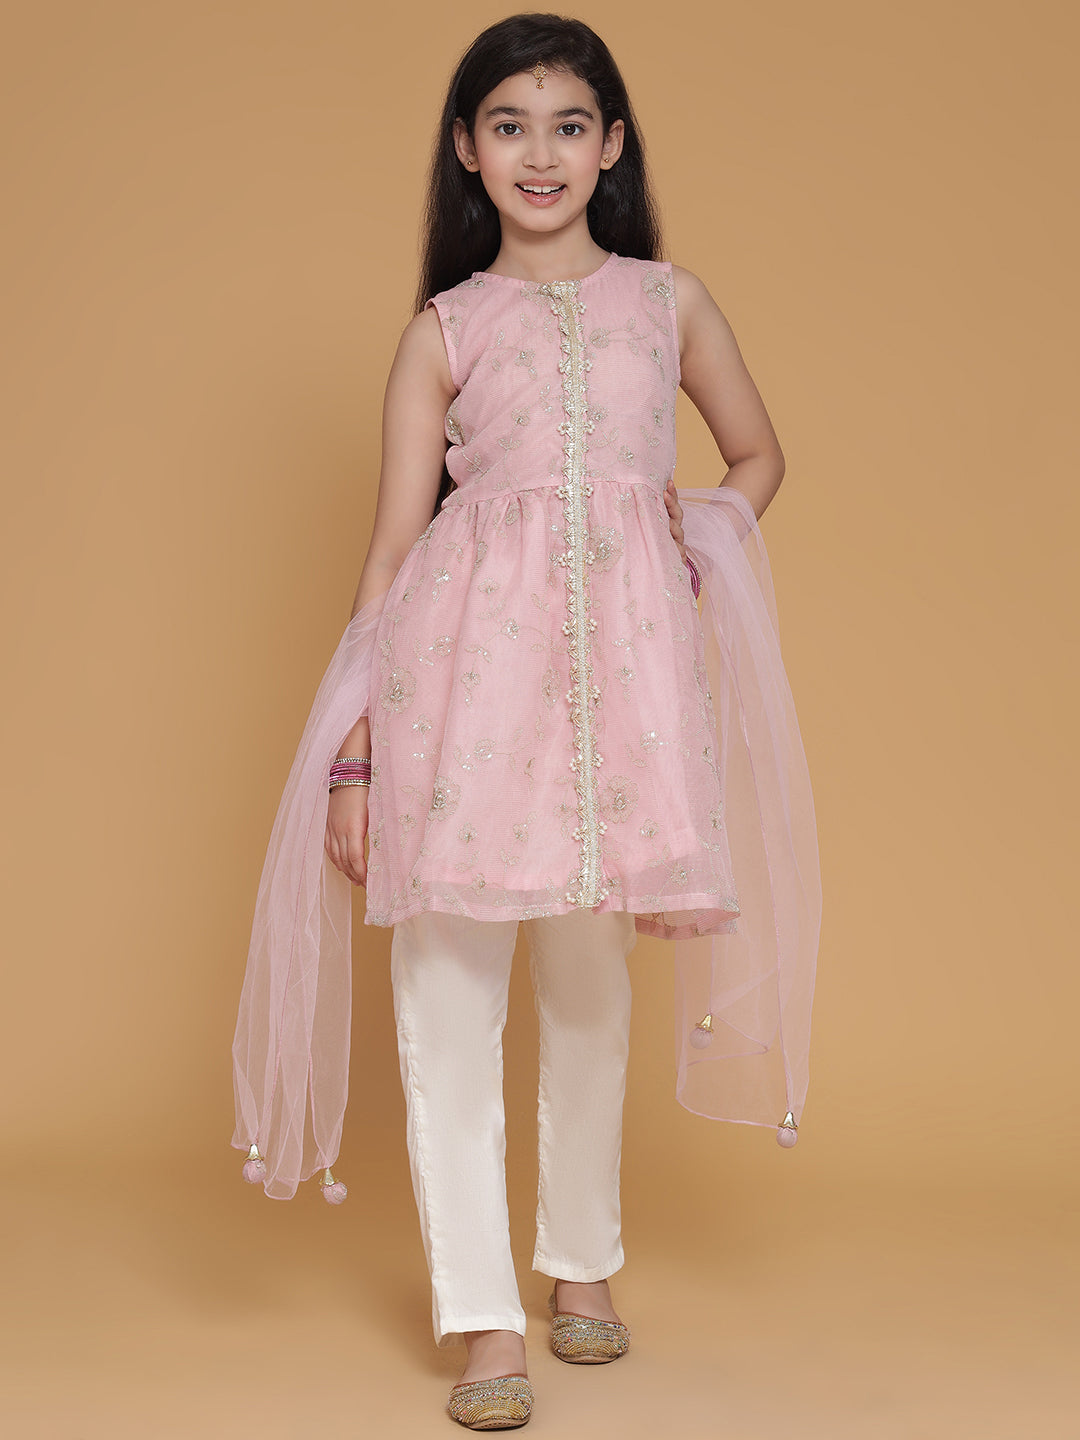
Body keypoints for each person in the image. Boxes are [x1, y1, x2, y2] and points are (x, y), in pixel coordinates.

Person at [231, 12, 821, 1431]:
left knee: (590, 986)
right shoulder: (444, 331)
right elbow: (392, 549)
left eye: (569, 124)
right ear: (467, 149)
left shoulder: (667, 304)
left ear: (612, 147)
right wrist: (353, 754)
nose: (540, 152)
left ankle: (582, 1261)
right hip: (459, 695)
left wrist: (691, 540)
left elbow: (757, 452)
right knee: (447, 994)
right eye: (509, 125)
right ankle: (483, 1311)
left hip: (619, 705)